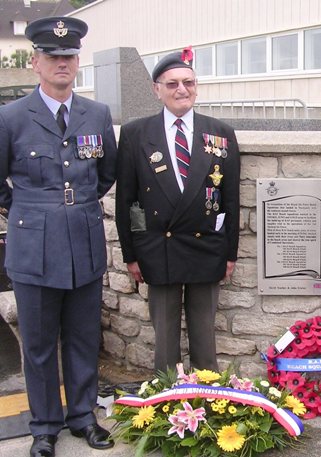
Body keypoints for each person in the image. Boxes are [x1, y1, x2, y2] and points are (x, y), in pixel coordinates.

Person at [0, 16, 117, 457]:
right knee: (39, 342)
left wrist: (73, 208)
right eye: (52, 56)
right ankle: (44, 426)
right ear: (36, 62)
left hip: (83, 241)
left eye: (68, 56)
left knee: (85, 335)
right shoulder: (10, 117)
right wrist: (30, 211)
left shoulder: (97, 114)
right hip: (33, 246)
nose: (61, 63)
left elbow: (105, 174)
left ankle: (84, 416)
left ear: (77, 61)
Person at [115, 47, 240, 373]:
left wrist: (229, 253)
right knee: (166, 343)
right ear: (157, 89)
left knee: (204, 339)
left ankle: (207, 400)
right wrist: (132, 253)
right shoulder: (135, 134)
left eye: (188, 82)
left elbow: (229, 200)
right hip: (159, 247)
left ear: (196, 86)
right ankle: (168, 404)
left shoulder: (221, 134)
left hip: (206, 247)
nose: (181, 89)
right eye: (172, 84)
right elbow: (129, 201)